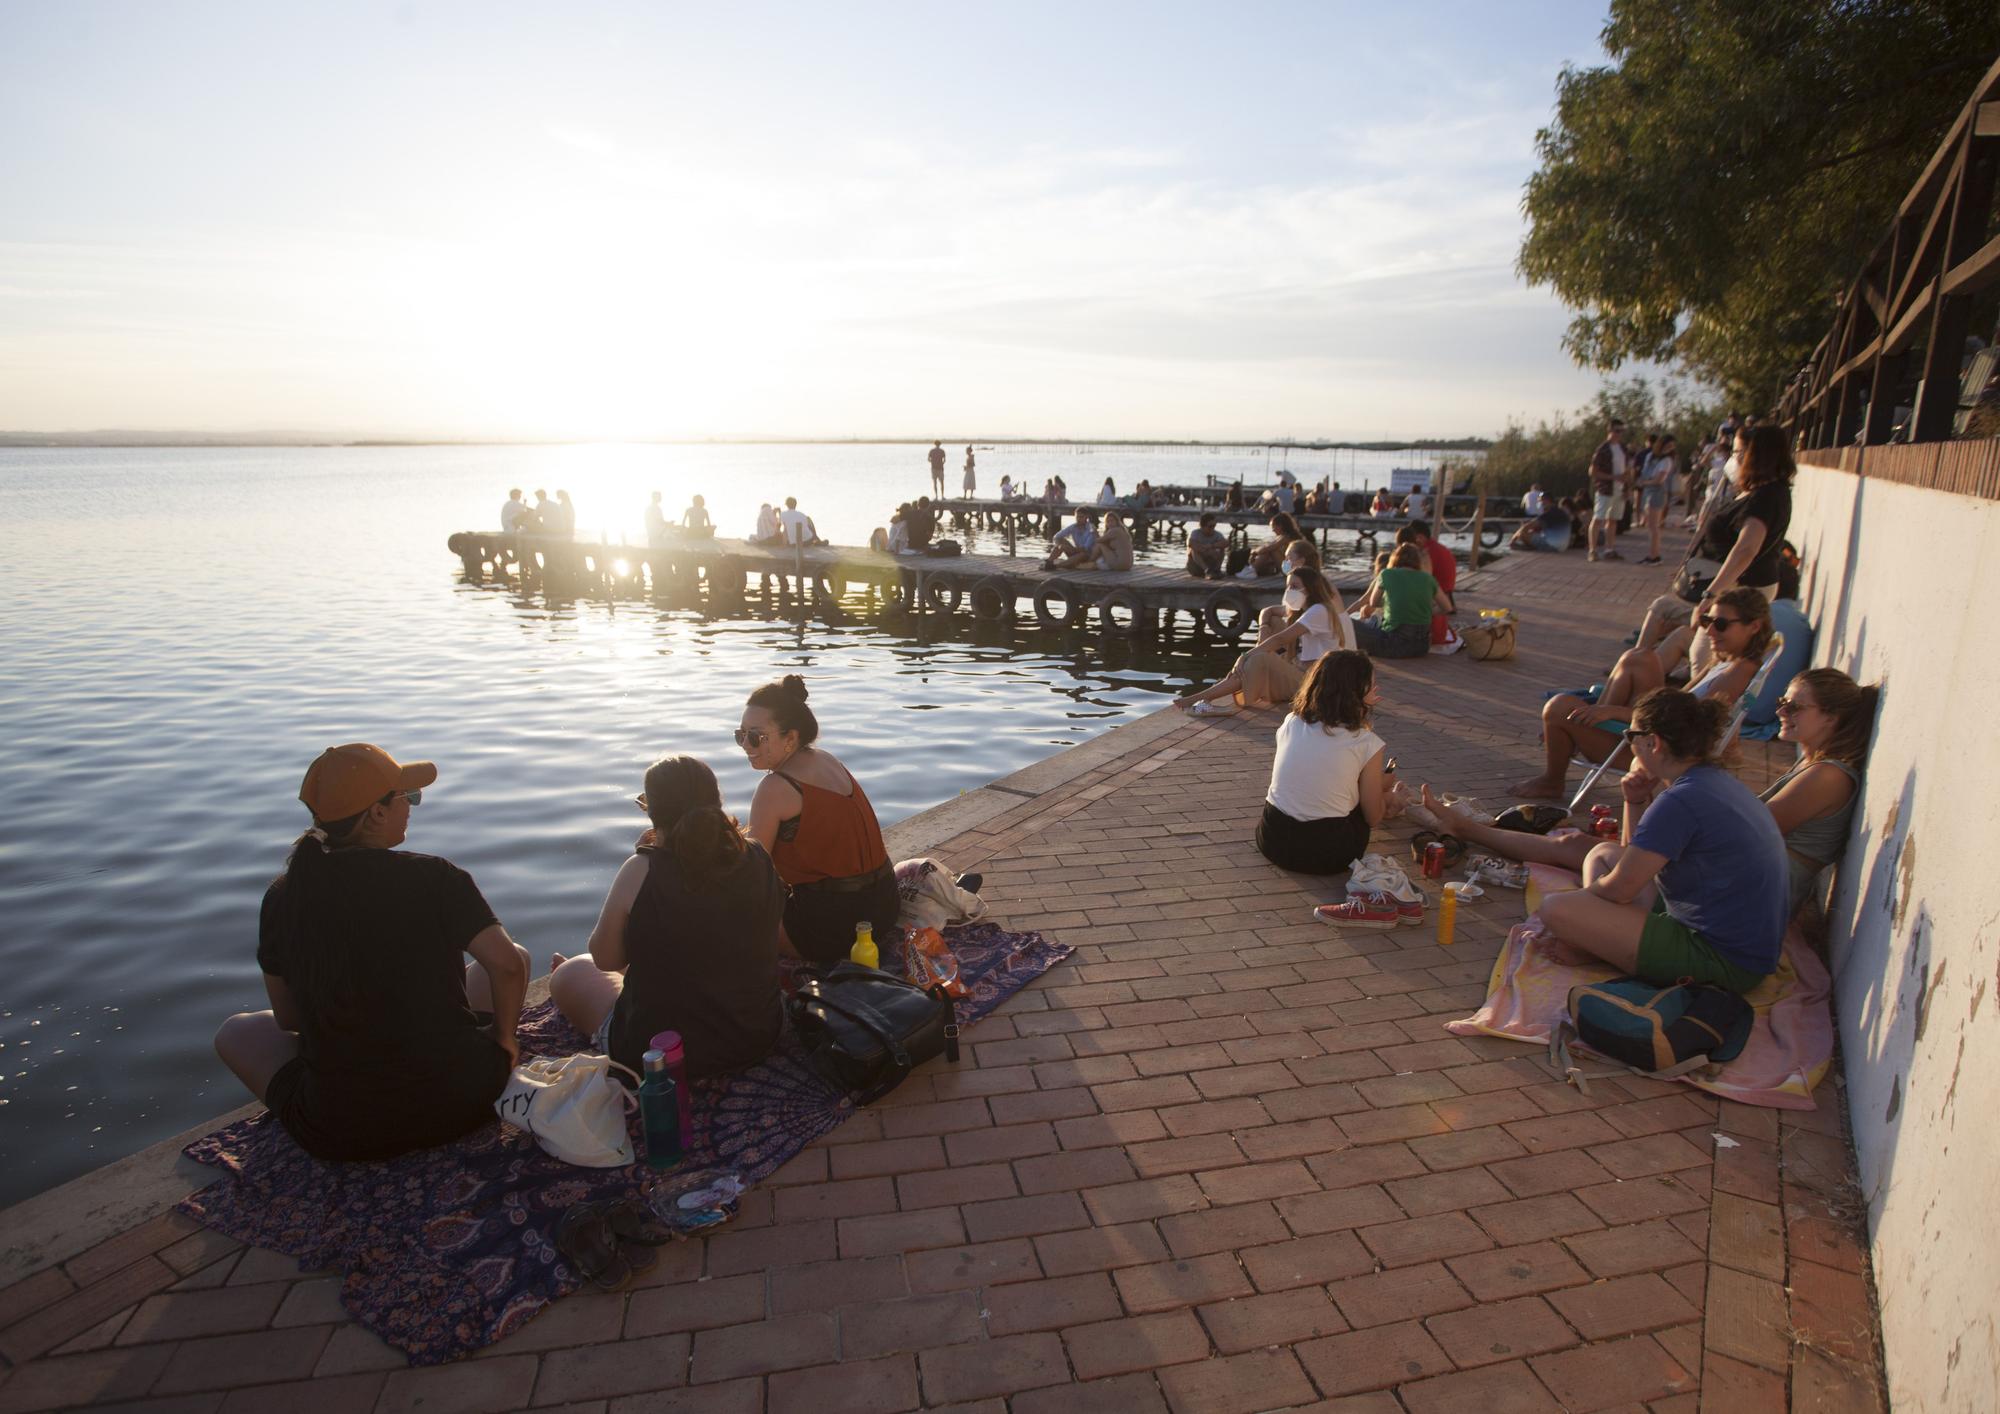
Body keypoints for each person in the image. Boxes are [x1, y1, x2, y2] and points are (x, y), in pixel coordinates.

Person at [213, 744, 528, 1162]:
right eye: (407, 797)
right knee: (518, 956)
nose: (413, 807)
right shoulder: (436, 877)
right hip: (466, 1102)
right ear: (375, 814)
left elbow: (289, 1019)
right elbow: (505, 966)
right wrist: (504, 1041)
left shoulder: (283, 896)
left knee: (235, 1032)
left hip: (341, 1129)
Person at [1534, 689, 1788, 992]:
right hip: (1736, 943)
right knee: (1603, 854)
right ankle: (1597, 941)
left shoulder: (1681, 801)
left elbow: (1620, 888)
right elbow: (1632, 859)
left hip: (1721, 960)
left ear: (1653, 742)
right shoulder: (1709, 781)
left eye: (1631, 737)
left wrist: (1586, 904)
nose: (1630, 745)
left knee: (1555, 908)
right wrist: (1636, 800)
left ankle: (1595, 945)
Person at [548, 755, 786, 1079]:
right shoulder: (757, 854)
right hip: (756, 1035)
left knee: (571, 972)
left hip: (661, 1055)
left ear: (652, 811)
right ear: (716, 801)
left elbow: (606, 959)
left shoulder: (641, 870)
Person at [1507, 587, 1773, 800]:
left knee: (1558, 707)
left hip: (1661, 751)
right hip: (1658, 735)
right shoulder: (1726, 662)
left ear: (1754, 626)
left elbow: (1689, 724)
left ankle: (1554, 780)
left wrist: (1613, 712)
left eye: (1721, 624)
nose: (1710, 631)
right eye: (1707, 621)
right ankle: (1580, 729)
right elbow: (1686, 706)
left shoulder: (1740, 670)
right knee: (1640, 657)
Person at [740, 676, 899, 964]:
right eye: (739, 734)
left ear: (791, 738)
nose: (744, 744)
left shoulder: (775, 787)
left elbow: (750, 870)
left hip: (831, 929)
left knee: (733, 911)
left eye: (755, 736)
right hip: (884, 908)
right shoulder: (827, 760)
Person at [1632, 423, 1796, 659]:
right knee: (1680, 631)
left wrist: (1710, 595)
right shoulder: (1763, 492)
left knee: (1701, 655)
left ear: (1756, 456)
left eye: (1738, 453)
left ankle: (1639, 671)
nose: (1733, 459)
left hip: (1739, 588)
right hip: (1734, 586)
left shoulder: (1766, 497)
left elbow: (1746, 549)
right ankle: (1638, 670)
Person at [1256, 652, 1387, 874]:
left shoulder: (1291, 722)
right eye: (1371, 685)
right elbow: (1373, 818)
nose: (1377, 689)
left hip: (1273, 839)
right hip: (1328, 854)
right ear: (1357, 692)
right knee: (1369, 805)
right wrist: (1383, 788)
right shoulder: (1368, 743)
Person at [1174, 565, 1352, 715]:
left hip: (1315, 684)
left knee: (1258, 659)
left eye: (1295, 586)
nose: (1290, 591)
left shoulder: (1319, 610)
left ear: (1310, 588)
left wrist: (1244, 656)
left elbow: (1281, 639)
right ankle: (1198, 699)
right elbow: (1269, 612)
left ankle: (1194, 699)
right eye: (1288, 586)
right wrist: (1263, 629)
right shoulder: (1305, 609)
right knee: (1265, 641)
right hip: (1302, 672)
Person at [1351, 543, 1447, 659]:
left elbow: (1373, 603)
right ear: (1417, 560)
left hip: (1394, 645)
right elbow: (1447, 608)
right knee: (1376, 621)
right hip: (1422, 647)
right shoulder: (1427, 578)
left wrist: (1391, 602)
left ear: (1394, 558)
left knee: (1349, 623)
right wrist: (1425, 610)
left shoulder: (1387, 574)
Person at [1395, 520, 1457, 646]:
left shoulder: (1426, 553)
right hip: (1445, 593)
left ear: (1420, 537)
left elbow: (1418, 578)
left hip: (1438, 594)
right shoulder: (1436, 547)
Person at [1587, 419, 1628, 561]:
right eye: (1617, 431)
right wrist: (1613, 477)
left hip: (1619, 489)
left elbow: (1627, 469)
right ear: (1609, 431)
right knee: (1598, 518)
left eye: (1622, 431)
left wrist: (1627, 486)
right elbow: (1593, 471)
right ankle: (1592, 550)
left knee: (1613, 520)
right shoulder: (1602, 449)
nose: (1619, 434)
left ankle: (1609, 549)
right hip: (1605, 489)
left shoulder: (1623, 448)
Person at [1636, 434, 1675, 563]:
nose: (1669, 449)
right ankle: (1653, 554)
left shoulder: (1667, 461)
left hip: (1656, 491)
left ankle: (1655, 556)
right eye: (1668, 445)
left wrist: (1645, 483)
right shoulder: (1650, 457)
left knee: (1653, 526)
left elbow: (1659, 480)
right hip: (1648, 491)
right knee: (1650, 525)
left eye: (1671, 447)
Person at [1249, 512, 1305, 578]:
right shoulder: (1289, 535)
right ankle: (1251, 569)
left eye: (1273, 527)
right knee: (1268, 551)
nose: (1273, 530)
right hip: (1293, 567)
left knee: (1272, 550)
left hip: (1292, 570)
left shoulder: (1286, 537)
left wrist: (1253, 552)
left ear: (1280, 526)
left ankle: (1250, 570)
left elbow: (1268, 548)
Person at [1187, 511, 1229, 579]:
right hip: (1196, 566)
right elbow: (1191, 544)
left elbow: (1226, 543)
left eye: (1214, 526)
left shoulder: (1217, 534)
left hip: (1210, 561)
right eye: (1210, 526)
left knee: (1222, 549)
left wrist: (1211, 546)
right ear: (1202, 526)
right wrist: (1208, 551)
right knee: (1193, 551)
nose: (1212, 528)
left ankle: (1216, 570)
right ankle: (1207, 571)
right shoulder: (1195, 533)